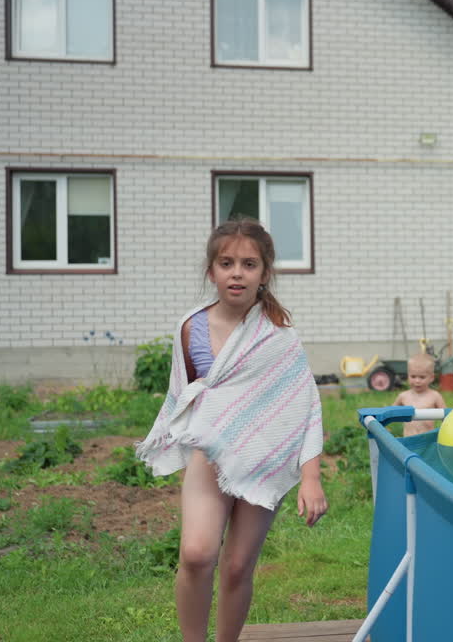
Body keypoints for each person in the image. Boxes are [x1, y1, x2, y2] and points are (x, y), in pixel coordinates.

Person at [135, 218, 326, 642]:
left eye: (248, 263)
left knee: (239, 565)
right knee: (197, 554)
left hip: (264, 459)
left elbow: (305, 404)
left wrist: (310, 478)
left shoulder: (278, 335)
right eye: (226, 263)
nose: (237, 272)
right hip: (211, 456)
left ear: (264, 273)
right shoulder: (190, 327)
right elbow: (183, 396)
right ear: (212, 271)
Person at [394, 353, 446, 435]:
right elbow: (389, 413)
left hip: (427, 441)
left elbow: (446, 417)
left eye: (422, 377)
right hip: (408, 440)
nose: (417, 381)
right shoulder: (403, 396)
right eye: (413, 376)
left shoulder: (435, 396)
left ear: (431, 378)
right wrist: (383, 426)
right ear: (408, 376)